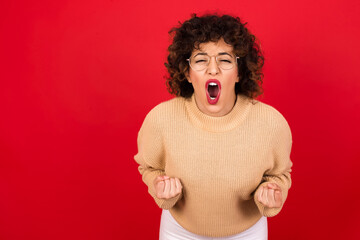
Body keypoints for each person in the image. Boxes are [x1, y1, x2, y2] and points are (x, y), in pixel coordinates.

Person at [134, 13, 293, 240]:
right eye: (200, 60)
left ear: (239, 72)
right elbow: (149, 168)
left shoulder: (271, 123)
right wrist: (159, 187)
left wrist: (273, 195)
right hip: (179, 232)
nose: (213, 69)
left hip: (247, 233)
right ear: (187, 73)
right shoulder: (161, 119)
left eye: (225, 60)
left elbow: (279, 174)